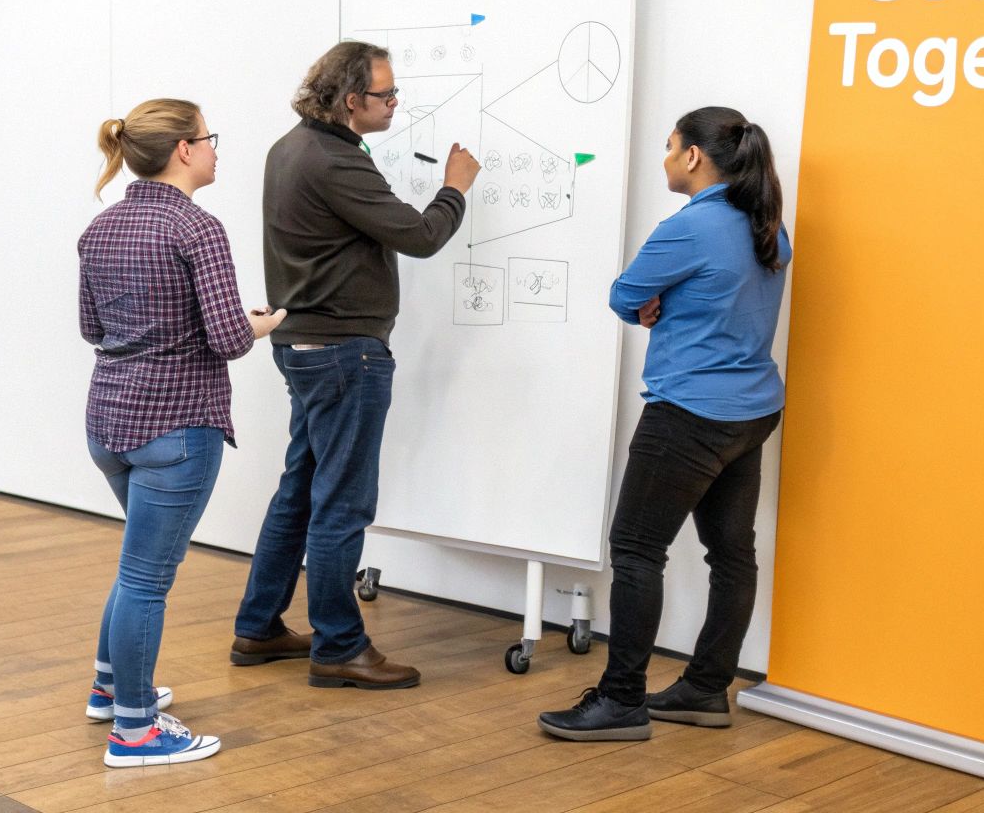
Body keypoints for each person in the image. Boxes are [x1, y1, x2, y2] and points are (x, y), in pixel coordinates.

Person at [229, 41, 480, 689]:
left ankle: (259, 626)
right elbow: (421, 235)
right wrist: (454, 188)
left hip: (306, 347)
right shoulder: (334, 160)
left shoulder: (290, 147)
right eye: (385, 94)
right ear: (349, 100)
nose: (395, 103)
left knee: (300, 491)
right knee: (341, 504)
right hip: (343, 353)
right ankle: (339, 645)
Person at [539, 106, 792, 741]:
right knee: (731, 554)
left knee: (636, 549)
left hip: (689, 413)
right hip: (752, 411)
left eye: (670, 146)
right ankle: (706, 689)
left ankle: (621, 700)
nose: (665, 158)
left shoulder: (689, 228)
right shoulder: (766, 223)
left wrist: (656, 304)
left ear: (693, 157)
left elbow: (625, 295)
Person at [78, 98, 285, 767]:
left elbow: (91, 328)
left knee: (136, 566)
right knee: (147, 577)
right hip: (176, 427)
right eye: (209, 137)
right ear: (183, 151)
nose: (216, 149)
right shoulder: (198, 228)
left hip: (109, 422)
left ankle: (111, 689)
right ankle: (135, 732)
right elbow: (228, 339)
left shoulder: (100, 228)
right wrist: (261, 324)